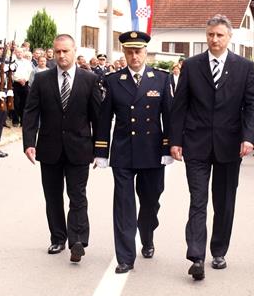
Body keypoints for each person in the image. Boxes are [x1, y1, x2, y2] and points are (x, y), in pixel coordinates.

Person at [170, 14, 254, 281]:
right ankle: (196, 255)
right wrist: (175, 140)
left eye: (220, 35)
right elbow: (179, 105)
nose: (215, 39)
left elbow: (253, 105)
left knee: (224, 202)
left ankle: (218, 250)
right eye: (211, 35)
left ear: (229, 37)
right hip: (196, 144)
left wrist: (248, 137)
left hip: (230, 145)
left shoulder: (244, 67)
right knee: (198, 200)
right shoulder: (192, 66)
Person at [95, 31, 172, 274]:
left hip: (152, 152)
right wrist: (101, 150)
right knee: (124, 205)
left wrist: (169, 147)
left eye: (138, 51)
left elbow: (169, 117)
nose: (134, 56)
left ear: (145, 53)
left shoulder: (161, 79)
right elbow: (103, 119)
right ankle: (126, 257)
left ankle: (147, 235)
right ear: (124, 53)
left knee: (150, 202)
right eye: (129, 52)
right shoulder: (112, 80)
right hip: (123, 151)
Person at [23, 34, 101, 263]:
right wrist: (29, 142)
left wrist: (99, 148)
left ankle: (78, 240)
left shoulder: (89, 79)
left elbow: (97, 116)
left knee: (77, 195)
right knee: (53, 196)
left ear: (74, 51)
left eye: (65, 51)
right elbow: (30, 112)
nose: (61, 55)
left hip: (79, 147)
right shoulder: (42, 79)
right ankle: (58, 237)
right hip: (49, 148)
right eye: (57, 51)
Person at [12, 47, 33, 126]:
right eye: (18, 52)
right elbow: (12, 74)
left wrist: (25, 79)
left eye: (21, 52)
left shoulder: (27, 62)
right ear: (15, 53)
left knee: (25, 103)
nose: (19, 53)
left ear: (23, 53)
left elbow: (30, 72)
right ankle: (15, 121)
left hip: (25, 84)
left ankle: (23, 121)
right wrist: (19, 80)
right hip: (16, 84)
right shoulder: (12, 62)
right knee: (16, 103)